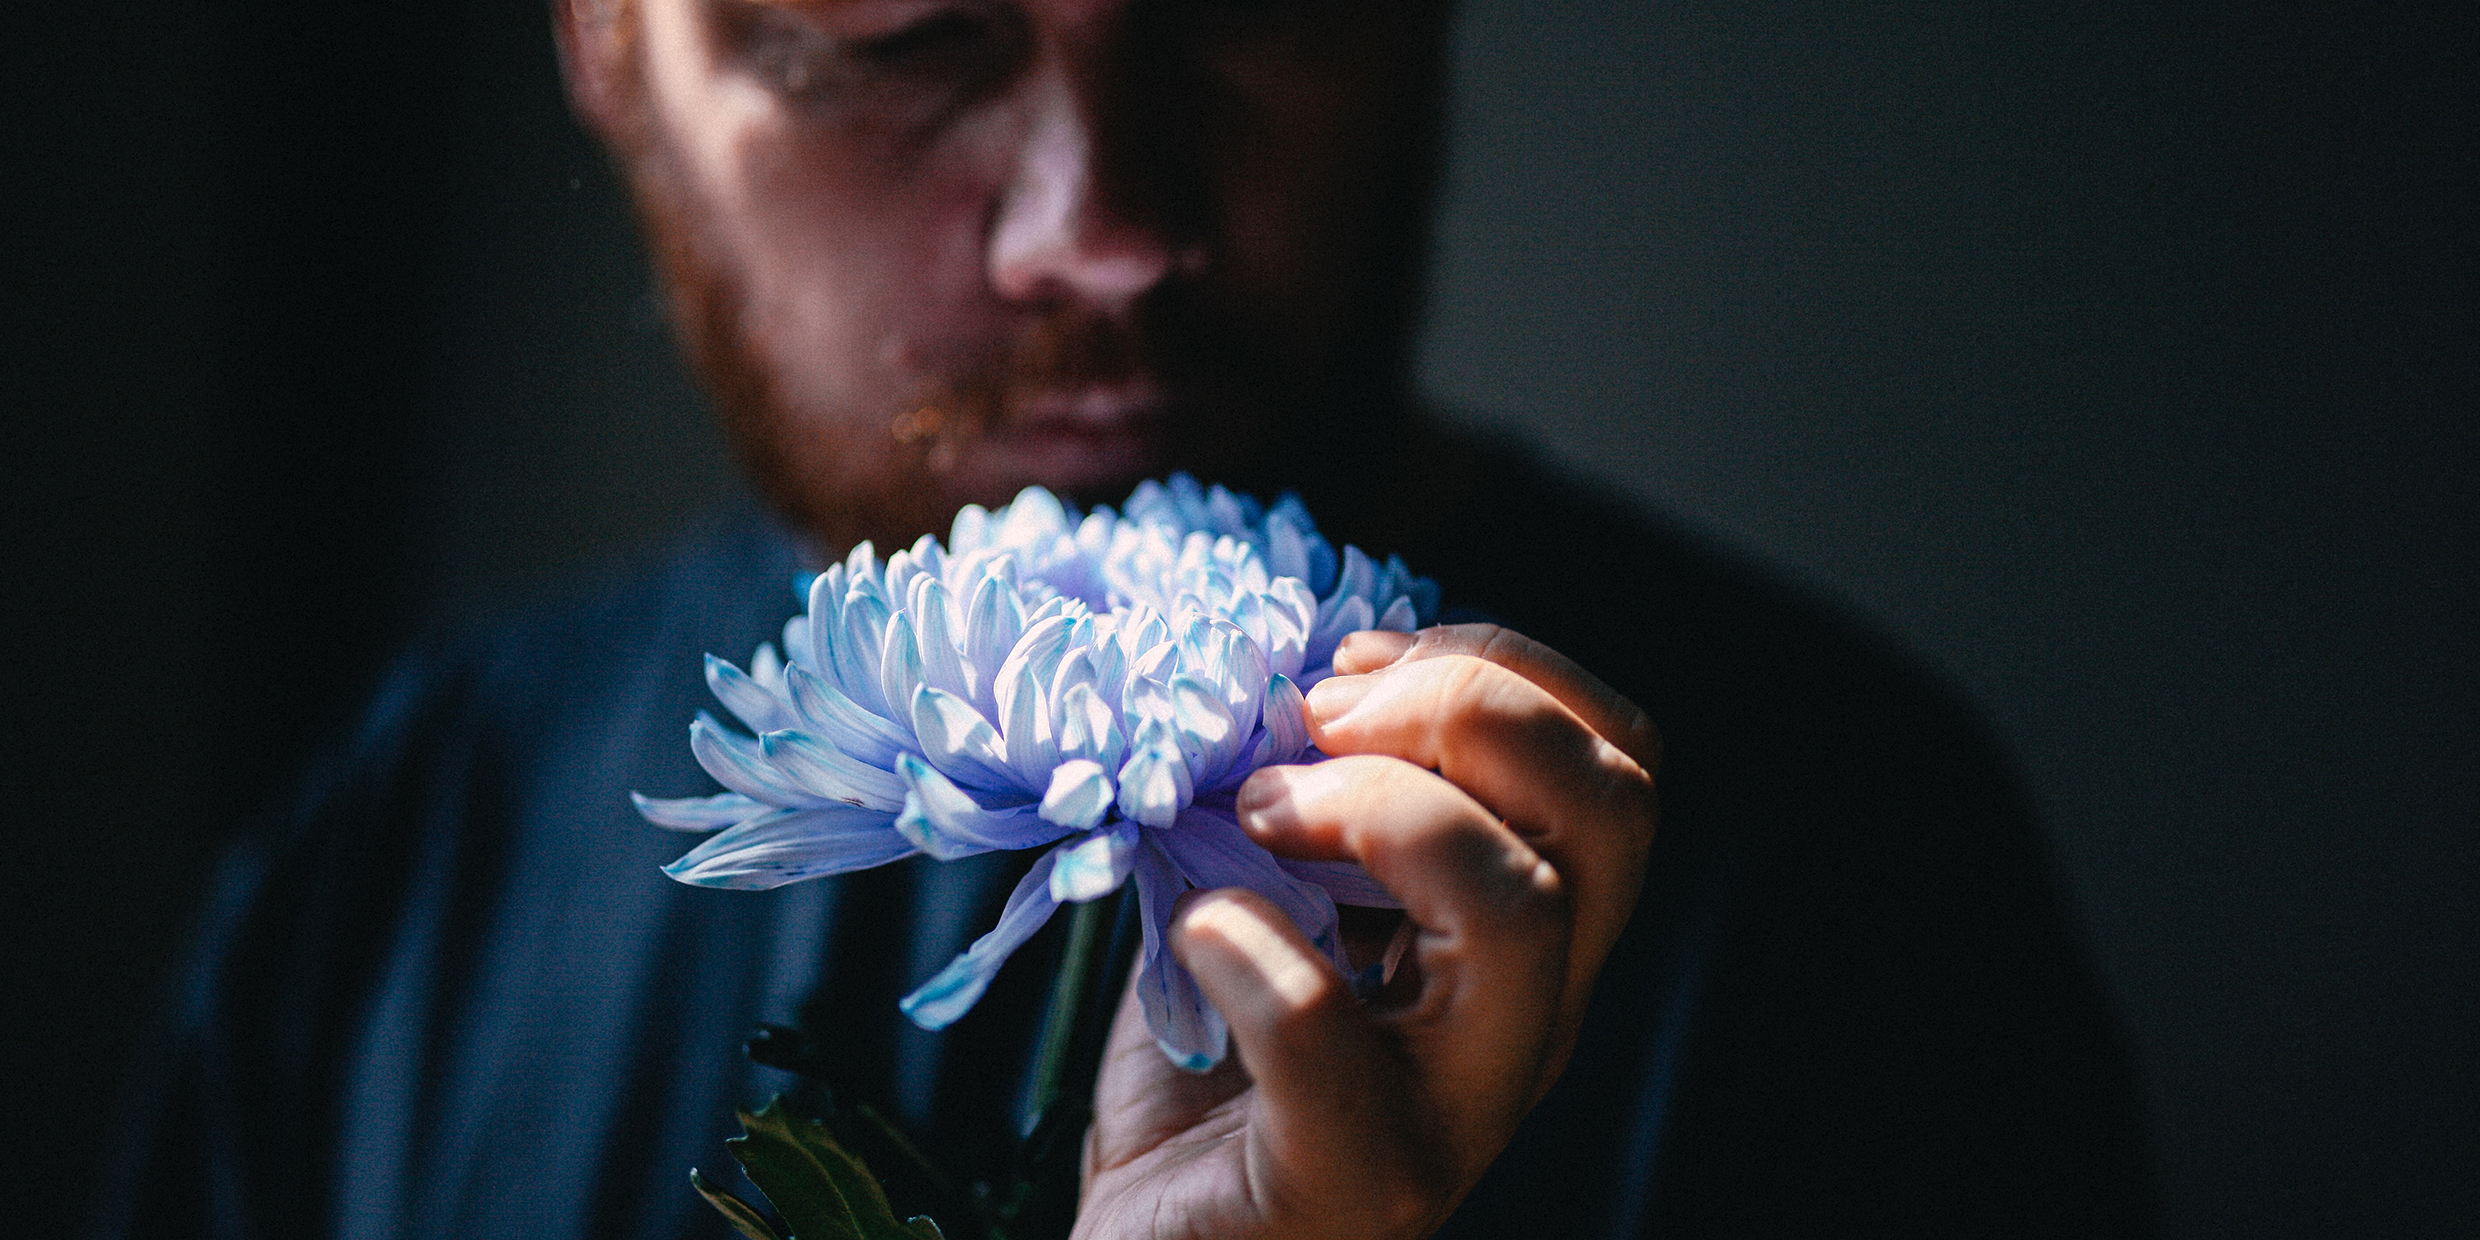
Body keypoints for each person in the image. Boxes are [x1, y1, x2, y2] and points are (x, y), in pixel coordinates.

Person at [92, 1, 2156, 1236]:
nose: (1106, 226)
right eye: (900, 38)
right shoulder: (393, 859)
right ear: (606, 39)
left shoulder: (1845, 881)